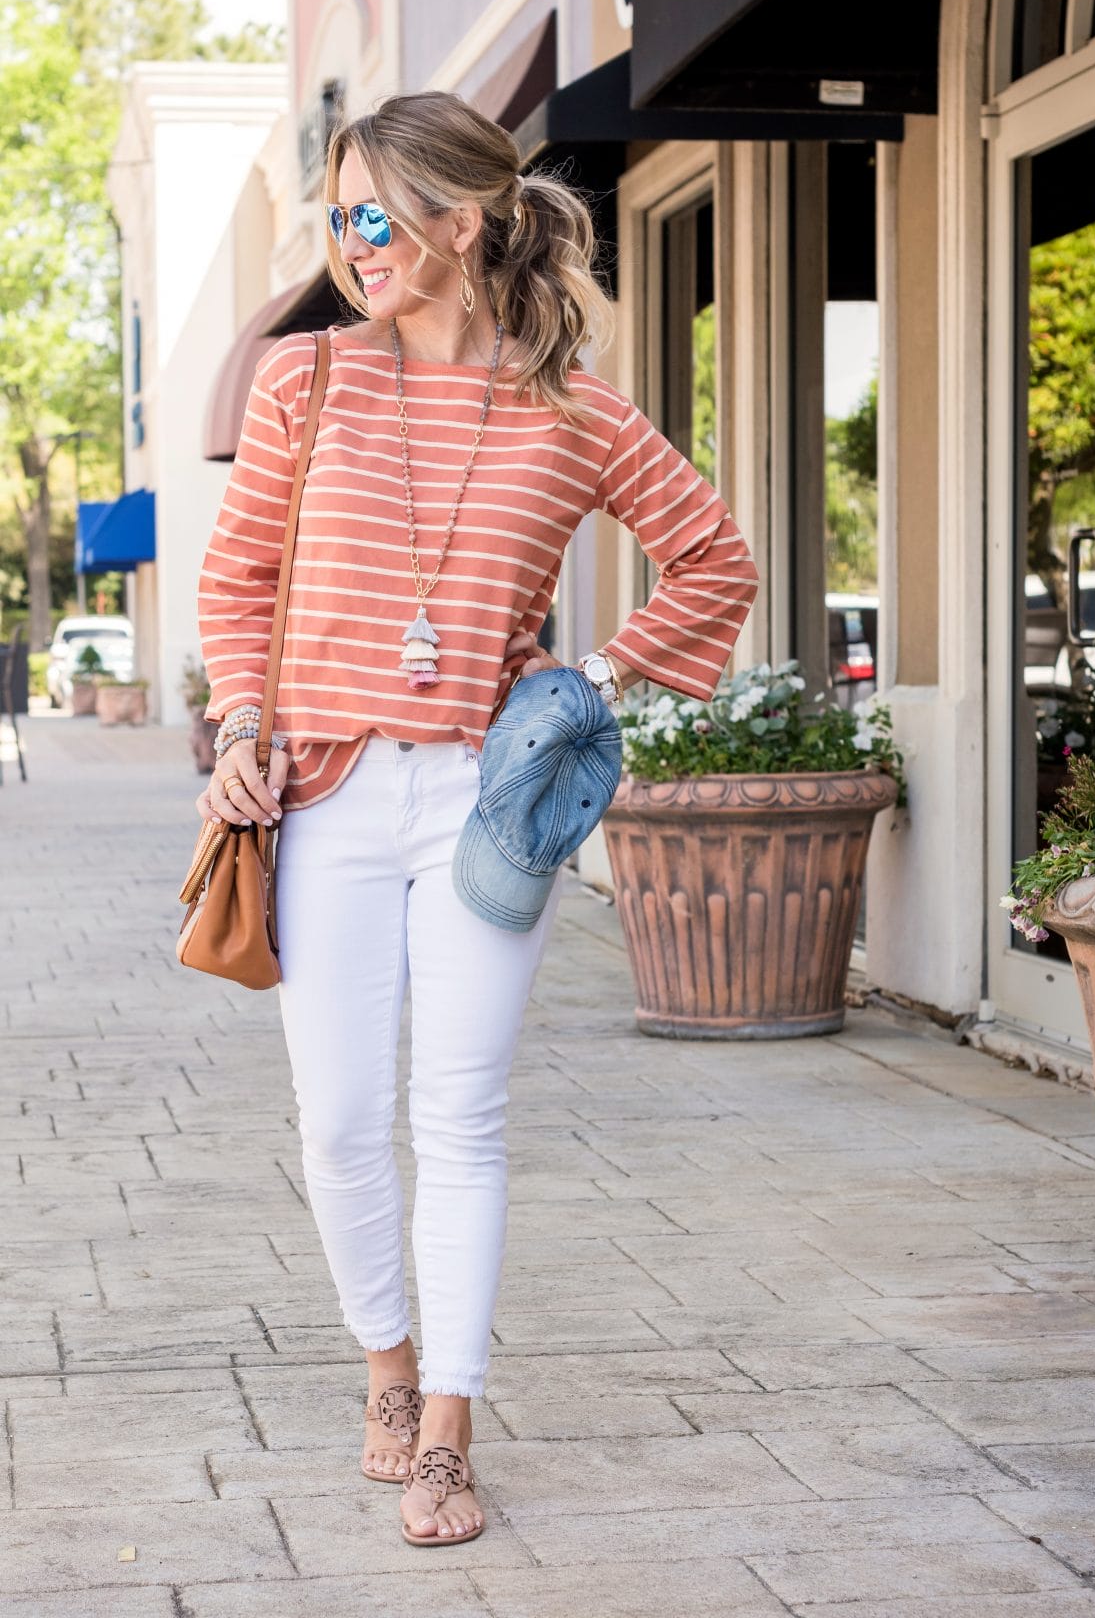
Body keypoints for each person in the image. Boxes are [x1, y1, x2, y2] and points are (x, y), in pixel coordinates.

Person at [194, 90, 758, 1547]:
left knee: (461, 1117)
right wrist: (241, 730)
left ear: (462, 220)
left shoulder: (572, 407)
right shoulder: (301, 381)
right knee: (335, 1124)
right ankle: (382, 1371)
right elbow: (238, 579)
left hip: (484, 802)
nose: (350, 243)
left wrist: (593, 674)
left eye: (373, 216)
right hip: (319, 788)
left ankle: (448, 1429)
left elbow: (713, 558)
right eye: (336, 216)